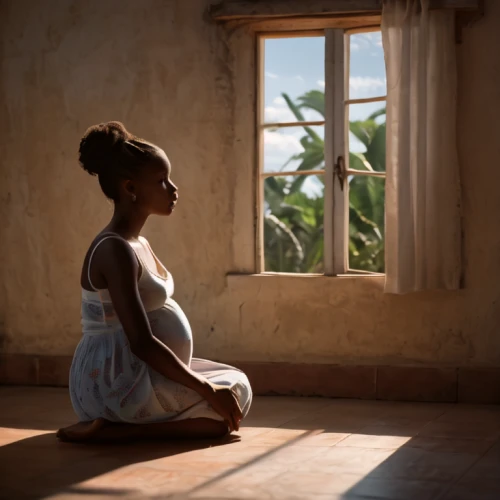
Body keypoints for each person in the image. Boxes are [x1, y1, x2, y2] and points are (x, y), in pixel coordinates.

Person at [57, 121, 252, 443]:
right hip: (114, 381)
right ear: (131, 188)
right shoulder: (114, 248)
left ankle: (120, 427)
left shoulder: (137, 243)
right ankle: (112, 431)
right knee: (220, 411)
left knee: (235, 384)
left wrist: (209, 387)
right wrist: (205, 389)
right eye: (162, 181)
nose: (174, 189)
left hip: (139, 372)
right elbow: (141, 342)